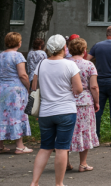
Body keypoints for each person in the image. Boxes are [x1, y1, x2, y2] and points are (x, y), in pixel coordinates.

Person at [30, 34, 83, 186]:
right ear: (63, 48)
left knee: (45, 148)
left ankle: (34, 182)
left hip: (46, 112)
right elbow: (78, 89)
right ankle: (59, 183)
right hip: (66, 111)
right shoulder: (70, 65)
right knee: (61, 148)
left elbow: (34, 87)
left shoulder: (40, 64)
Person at [0, 32, 33, 154]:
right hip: (16, 90)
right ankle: (20, 146)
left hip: (2, 88)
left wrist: (4, 83)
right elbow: (23, 75)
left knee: (0, 114)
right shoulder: (18, 56)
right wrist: (29, 88)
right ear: (19, 43)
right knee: (16, 115)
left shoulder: (0, 56)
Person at [67, 37, 100, 173]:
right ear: (84, 50)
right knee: (85, 130)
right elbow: (94, 86)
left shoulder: (64, 63)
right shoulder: (89, 65)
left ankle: (66, 162)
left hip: (67, 100)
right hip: (85, 101)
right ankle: (83, 163)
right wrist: (97, 101)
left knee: (67, 131)